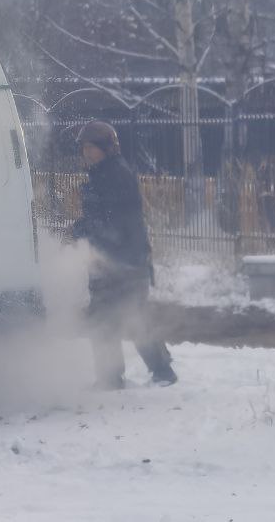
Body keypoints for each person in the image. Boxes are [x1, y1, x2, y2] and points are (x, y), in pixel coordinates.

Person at [71, 121, 177, 389]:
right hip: (109, 261)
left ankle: (161, 371)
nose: (87, 153)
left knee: (133, 318)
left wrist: (86, 228)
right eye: (84, 148)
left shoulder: (116, 175)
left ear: (107, 148)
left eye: (92, 147)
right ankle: (112, 376)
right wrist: (85, 228)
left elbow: (117, 222)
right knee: (105, 321)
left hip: (125, 262)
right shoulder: (102, 174)